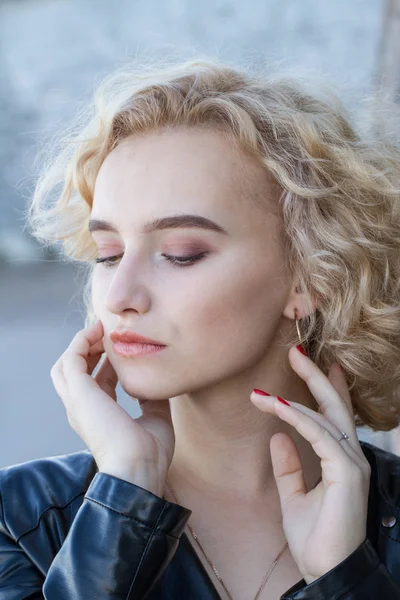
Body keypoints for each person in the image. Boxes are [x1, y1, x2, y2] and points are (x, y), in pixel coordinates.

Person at [1, 58, 400, 599]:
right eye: (109, 253)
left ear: (312, 274)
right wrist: (125, 497)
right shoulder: (18, 519)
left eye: (180, 254)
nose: (119, 298)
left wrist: (345, 579)